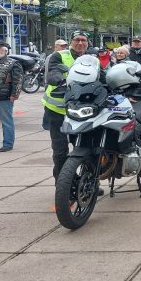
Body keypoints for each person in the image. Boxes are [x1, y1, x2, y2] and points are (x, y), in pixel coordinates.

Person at [42, 31, 102, 179]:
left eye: (83, 40)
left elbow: (104, 77)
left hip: (83, 110)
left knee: (90, 148)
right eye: (77, 40)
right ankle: (62, 184)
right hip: (58, 110)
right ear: (71, 42)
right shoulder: (59, 56)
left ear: (88, 43)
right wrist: (64, 81)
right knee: (60, 151)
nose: (80, 43)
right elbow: (53, 73)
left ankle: (89, 184)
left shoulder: (93, 59)